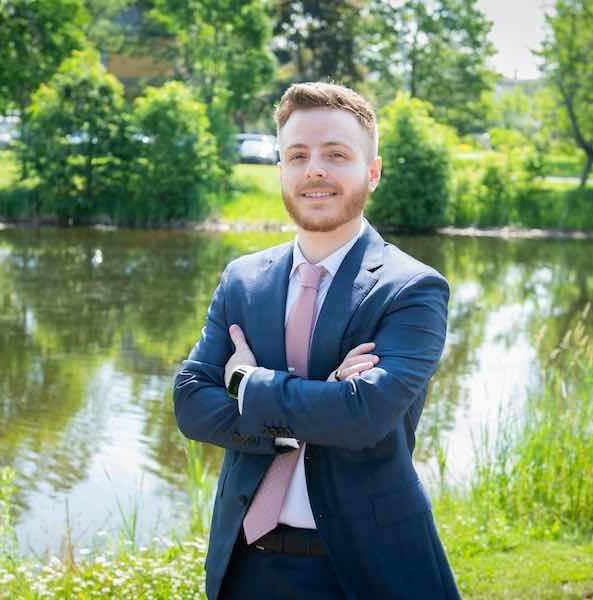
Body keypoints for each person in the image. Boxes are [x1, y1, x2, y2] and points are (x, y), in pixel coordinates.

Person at [174, 81, 460, 600]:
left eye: (336, 154)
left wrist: (245, 382)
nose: (315, 170)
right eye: (298, 155)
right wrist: (304, 414)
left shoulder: (412, 288)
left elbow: (364, 416)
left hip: (364, 573)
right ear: (280, 168)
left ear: (372, 171)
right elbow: (190, 402)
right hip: (245, 568)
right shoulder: (243, 278)